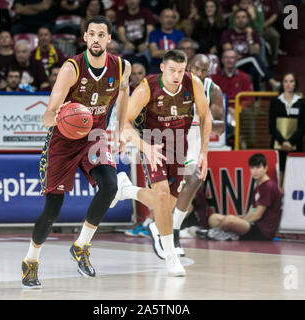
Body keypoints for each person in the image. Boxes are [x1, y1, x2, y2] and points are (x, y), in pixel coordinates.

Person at [21, 15, 131, 288]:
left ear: (108, 39)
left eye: (101, 34)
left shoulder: (122, 67)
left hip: (95, 136)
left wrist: (122, 129)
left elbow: (124, 93)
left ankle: (81, 245)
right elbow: (48, 112)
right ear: (85, 38)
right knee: (52, 211)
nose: (96, 38)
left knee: (109, 186)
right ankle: (30, 261)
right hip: (64, 139)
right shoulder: (71, 68)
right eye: (91, 33)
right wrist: (58, 117)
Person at [111, 49, 212, 276]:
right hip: (153, 143)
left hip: (179, 144)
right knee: (162, 194)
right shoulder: (148, 86)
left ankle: (127, 190)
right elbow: (126, 124)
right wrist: (145, 147)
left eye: (181, 70)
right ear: (163, 68)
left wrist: (204, 151)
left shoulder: (192, 83)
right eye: (172, 70)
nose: (177, 75)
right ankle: (170, 255)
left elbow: (206, 118)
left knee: (165, 205)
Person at [149, 53, 225, 257]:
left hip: (193, 141)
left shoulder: (213, 91)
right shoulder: (174, 82)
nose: (199, 73)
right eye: (196, 68)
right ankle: (157, 224)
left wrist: (202, 121)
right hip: (171, 137)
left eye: (204, 70)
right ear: (188, 66)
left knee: (194, 180)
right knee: (166, 190)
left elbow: (221, 126)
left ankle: (173, 231)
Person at [207, 153, 283, 241]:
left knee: (229, 220)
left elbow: (257, 215)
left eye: (258, 167)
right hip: (253, 226)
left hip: (263, 231)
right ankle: (227, 234)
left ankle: (224, 234)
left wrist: (241, 223)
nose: (255, 171)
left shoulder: (268, 186)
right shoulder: (258, 187)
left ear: (266, 168)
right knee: (213, 218)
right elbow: (252, 209)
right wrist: (241, 223)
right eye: (252, 168)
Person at [220, 8, 278, 91]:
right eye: (238, 17)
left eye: (243, 17)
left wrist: (250, 37)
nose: (241, 20)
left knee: (254, 70)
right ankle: (271, 81)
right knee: (253, 58)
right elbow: (228, 51)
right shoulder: (227, 33)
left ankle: (256, 100)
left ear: (247, 19)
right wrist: (236, 55)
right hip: (233, 63)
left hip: (248, 64)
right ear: (234, 20)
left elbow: (255, 51)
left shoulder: (253, 34)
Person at [269, 72, 305, 186]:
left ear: (295, 84)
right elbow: (271, 125)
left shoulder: (301, 102)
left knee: (294, 172)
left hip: (295, 144)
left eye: (291, 81)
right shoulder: (275, 102)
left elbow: (303, 125)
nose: (288, 84)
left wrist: (290, 142)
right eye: (286, 81)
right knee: (279, 172)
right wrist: (283, 142)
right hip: (278, 144)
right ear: (282, 84)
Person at [211, 49, 253, 145]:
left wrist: (238, 109)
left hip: (238, 111)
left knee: (248, 114)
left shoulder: (244, 77)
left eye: (232, 58)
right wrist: (226, 109)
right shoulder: (215, 78)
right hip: (221, 110)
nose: (229, 60)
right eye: (226, 58)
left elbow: (249, 99)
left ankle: (247, 144)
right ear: (222, 60)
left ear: (236, 60)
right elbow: (211, 98)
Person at [148, 8, 184, 74]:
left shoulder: (179, 34)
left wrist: (162, 53)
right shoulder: (154, 33)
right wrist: (174, 53)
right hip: (157, 66)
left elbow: (182, 53)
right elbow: (154, 53)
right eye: (167, 17)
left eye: (172, 17)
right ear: (160, 19)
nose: (170, 20)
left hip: (175, 67)